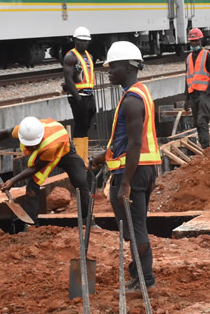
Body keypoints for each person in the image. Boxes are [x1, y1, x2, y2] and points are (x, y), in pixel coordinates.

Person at [91, 41, 161, 296]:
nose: (108, 71)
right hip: (142, 167)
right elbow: (126, 139)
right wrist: (103, 156)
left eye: (113, 66)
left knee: (134, 228)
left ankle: (145, 281)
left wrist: (126, 183)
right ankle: (141, 276)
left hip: (132, 171)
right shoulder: (138, 93)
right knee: (134, 227)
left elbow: (133, 143)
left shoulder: (132, 100)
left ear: (129, 67)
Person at [0, 116, 91, 224]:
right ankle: (31, 224)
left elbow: (36, 167)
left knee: (80, 181)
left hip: (64, 151)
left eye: (33, 145)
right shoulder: (23, 131)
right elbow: (5, 133)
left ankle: (87, 220)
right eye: (29, 145)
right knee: (32, 187)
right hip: (44, 154)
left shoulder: (50, 144)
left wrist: (13, 180)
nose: (31, 147)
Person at [63, 26, 96, 164]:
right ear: (75, 40)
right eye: (81, 41)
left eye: (86, 41)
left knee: (87, 125)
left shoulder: (90, 56)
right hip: (79, 95)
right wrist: (78, 98)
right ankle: (80, 158)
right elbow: (68, 80)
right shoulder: (70, 56)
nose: (84, 43)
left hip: (89, 94)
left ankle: (84, 156)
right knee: (80, 125)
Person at [184, 28, 210, 149]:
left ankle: (206, 147)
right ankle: (203, 146)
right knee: (196, 123)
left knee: (202, 121)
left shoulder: (207, 55)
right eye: (192, 41)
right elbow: (187, 78)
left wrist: (208, 92)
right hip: (193, 94)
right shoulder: (188, 58)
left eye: (196, 41)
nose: (194, 43)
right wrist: (186, 98)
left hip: (203, 93)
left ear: (200, 40)